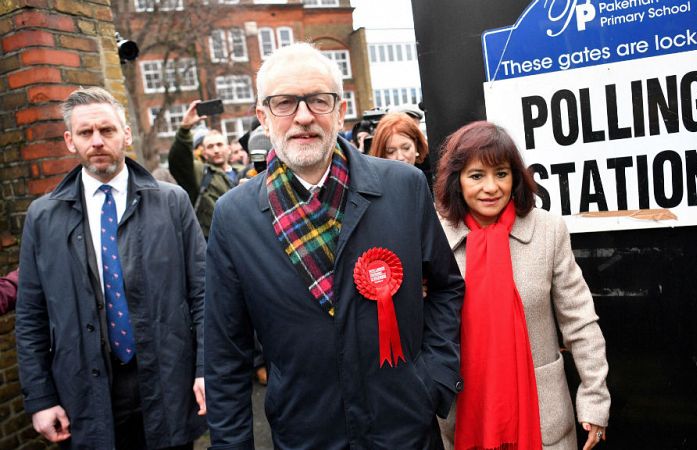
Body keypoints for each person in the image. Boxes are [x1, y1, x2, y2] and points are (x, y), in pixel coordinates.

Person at [204, 42, 465, 449]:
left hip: (404, 429)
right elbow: (226, 355)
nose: (304, 116)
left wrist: (433, 379)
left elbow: (447, 288)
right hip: (306, 435)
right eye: (285, 102)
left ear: (340, 111)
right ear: (263, 117)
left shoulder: (404, 187)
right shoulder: (233, 216)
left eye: (318, 100)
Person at [15, 87, 207, 449]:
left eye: (108, 130)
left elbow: (203, 294)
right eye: (86, 133)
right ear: (71, 141)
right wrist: (40, 398)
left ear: (127, 134)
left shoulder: (171, 202)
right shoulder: (43, 217)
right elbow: (31, 315)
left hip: (167, 383)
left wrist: (204, 370)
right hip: (85, 392)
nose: (98, 141)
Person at [434, 121, 610, 450]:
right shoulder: (434, 237)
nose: (491, 187)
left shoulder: (547, 231)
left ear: (515, 176)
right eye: (476, 176)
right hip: (465, 419)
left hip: (541, 422)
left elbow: (580, 320)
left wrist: (595, 398)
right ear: (456, 180)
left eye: (501, 173)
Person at [168, 101, 240, 238]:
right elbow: (178, 161)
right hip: (218, 239)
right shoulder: (200, 172)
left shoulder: (242, 171)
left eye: (219, 144)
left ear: (228, 148)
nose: (216, 150)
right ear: (204, 153)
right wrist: (185, 129)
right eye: (210, 147)